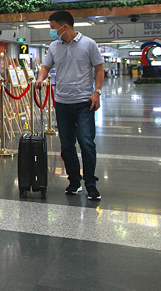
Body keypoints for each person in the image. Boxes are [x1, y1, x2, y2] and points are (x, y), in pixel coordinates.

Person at [36, 10, 104, 201]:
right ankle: (74, 181)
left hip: (84, 103)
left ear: (64, 27)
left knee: (86, 143)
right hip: (62, 103)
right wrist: (40, 78)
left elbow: (99, 69)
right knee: (66, 146)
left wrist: (97, 92)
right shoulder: (54, 46)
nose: (51, 31)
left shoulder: (89, 44)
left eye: (52, 27)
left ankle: (90, 184)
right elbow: (46, 66)